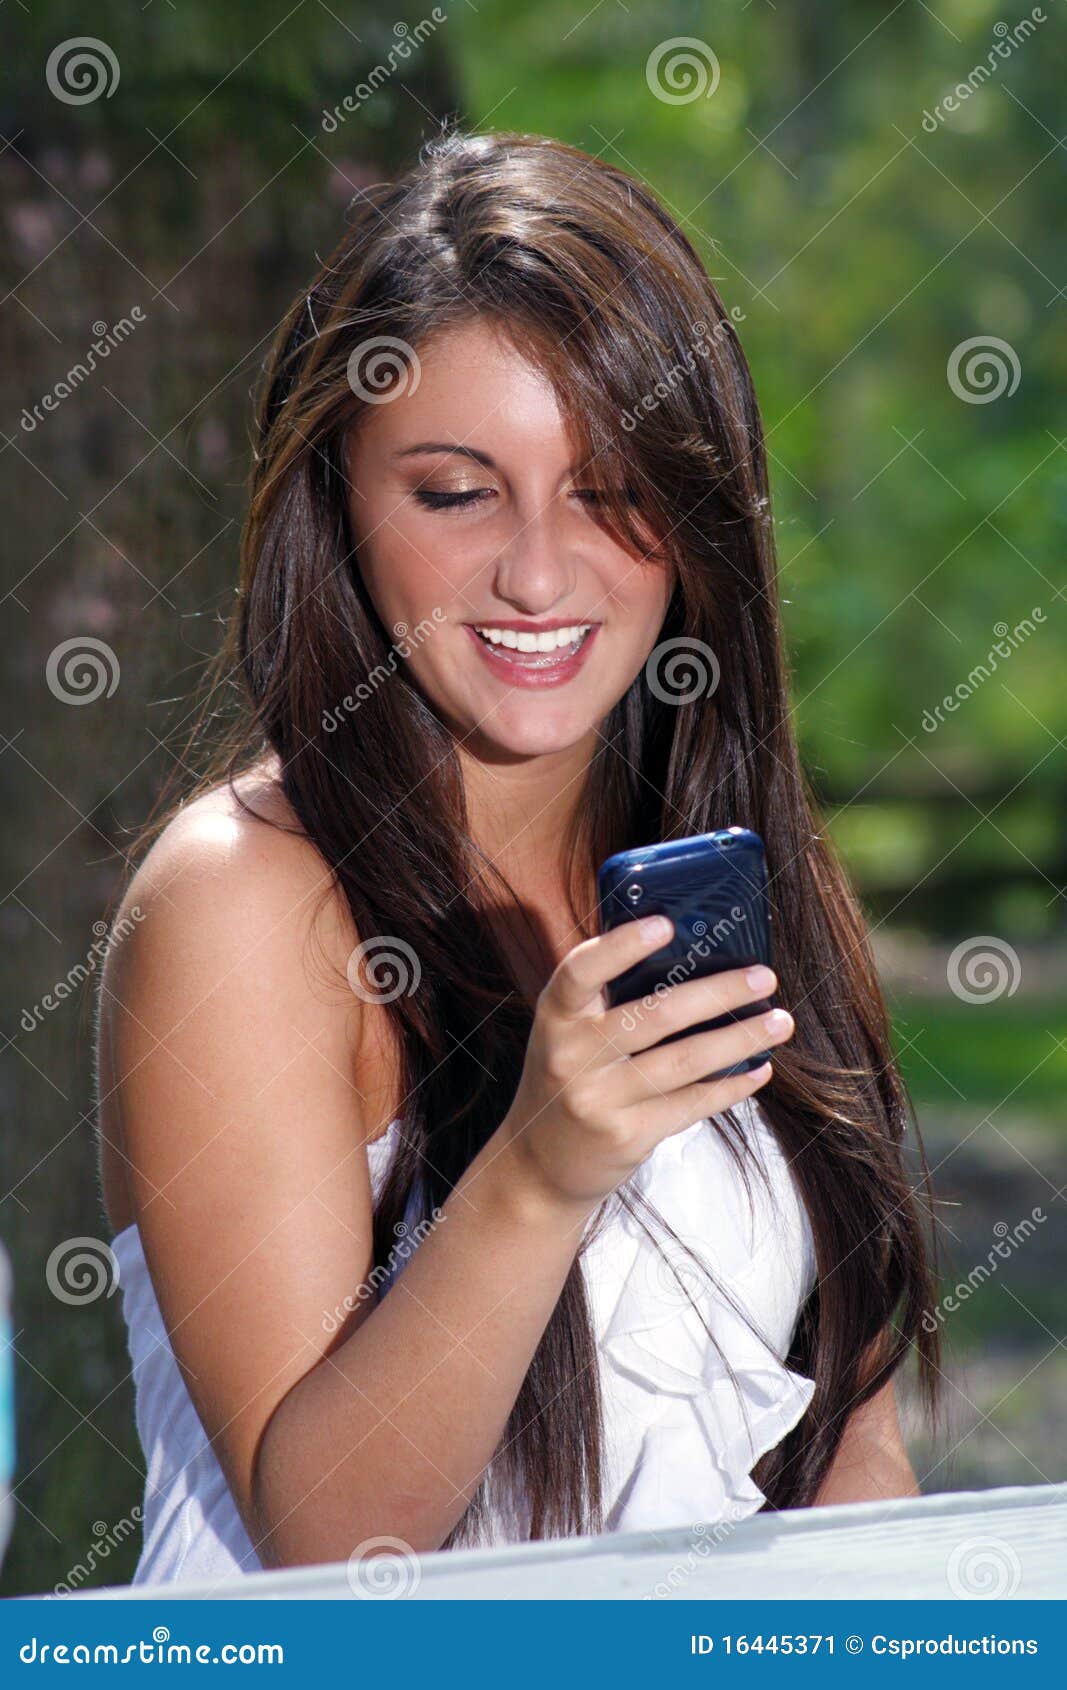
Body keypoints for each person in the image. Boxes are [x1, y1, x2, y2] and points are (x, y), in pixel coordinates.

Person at [93, 123, 941, 1587]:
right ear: (341, 503)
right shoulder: (239, 898)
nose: (542, 572)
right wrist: (541, 1170)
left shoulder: (734, 871)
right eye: (455, 491)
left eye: (610, 485)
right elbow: (333, 1537)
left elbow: (844, 1447)